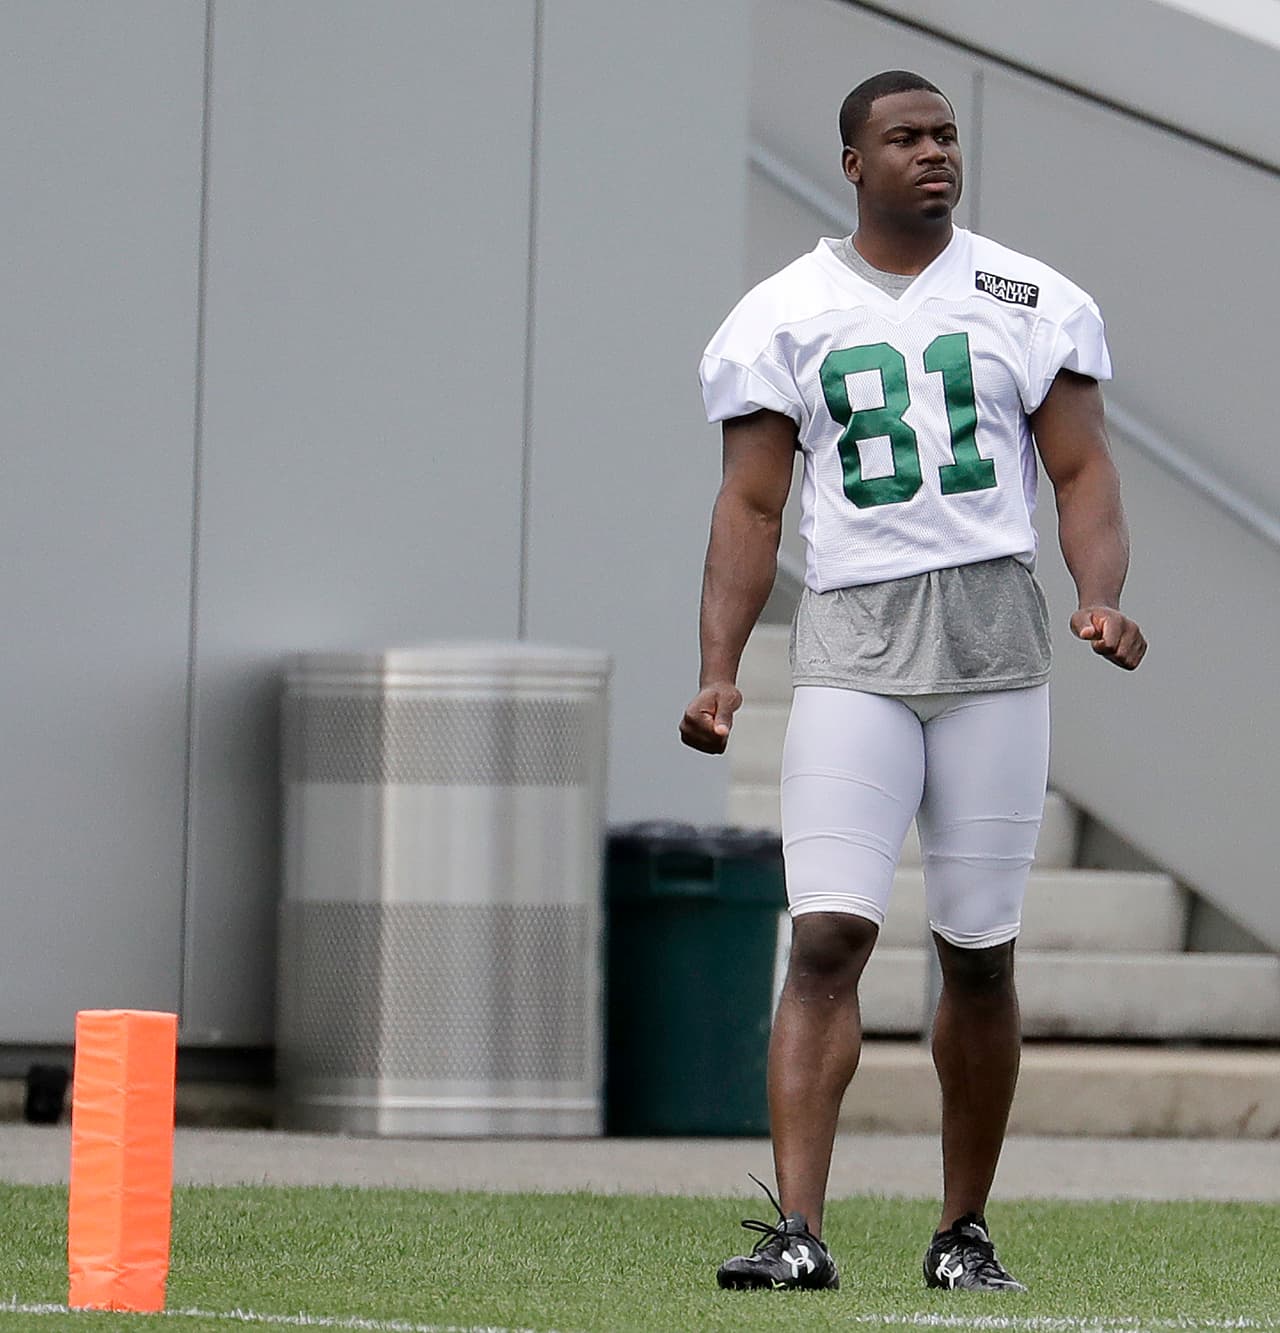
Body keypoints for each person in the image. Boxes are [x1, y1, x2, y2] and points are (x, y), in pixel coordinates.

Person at [680, 69, 1146, 1294]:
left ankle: (962, 1230)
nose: (933, 153)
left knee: (977, 951)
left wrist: (1098, 591)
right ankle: (797, 1227)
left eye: (944, 135)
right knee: (826, 932)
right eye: (904, 137)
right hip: (856, 637)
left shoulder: (1028, 296)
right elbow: (749, 504)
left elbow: (1082, 470)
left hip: (992, 638)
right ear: (852, 162)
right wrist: (718, 669)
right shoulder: (783, 312)